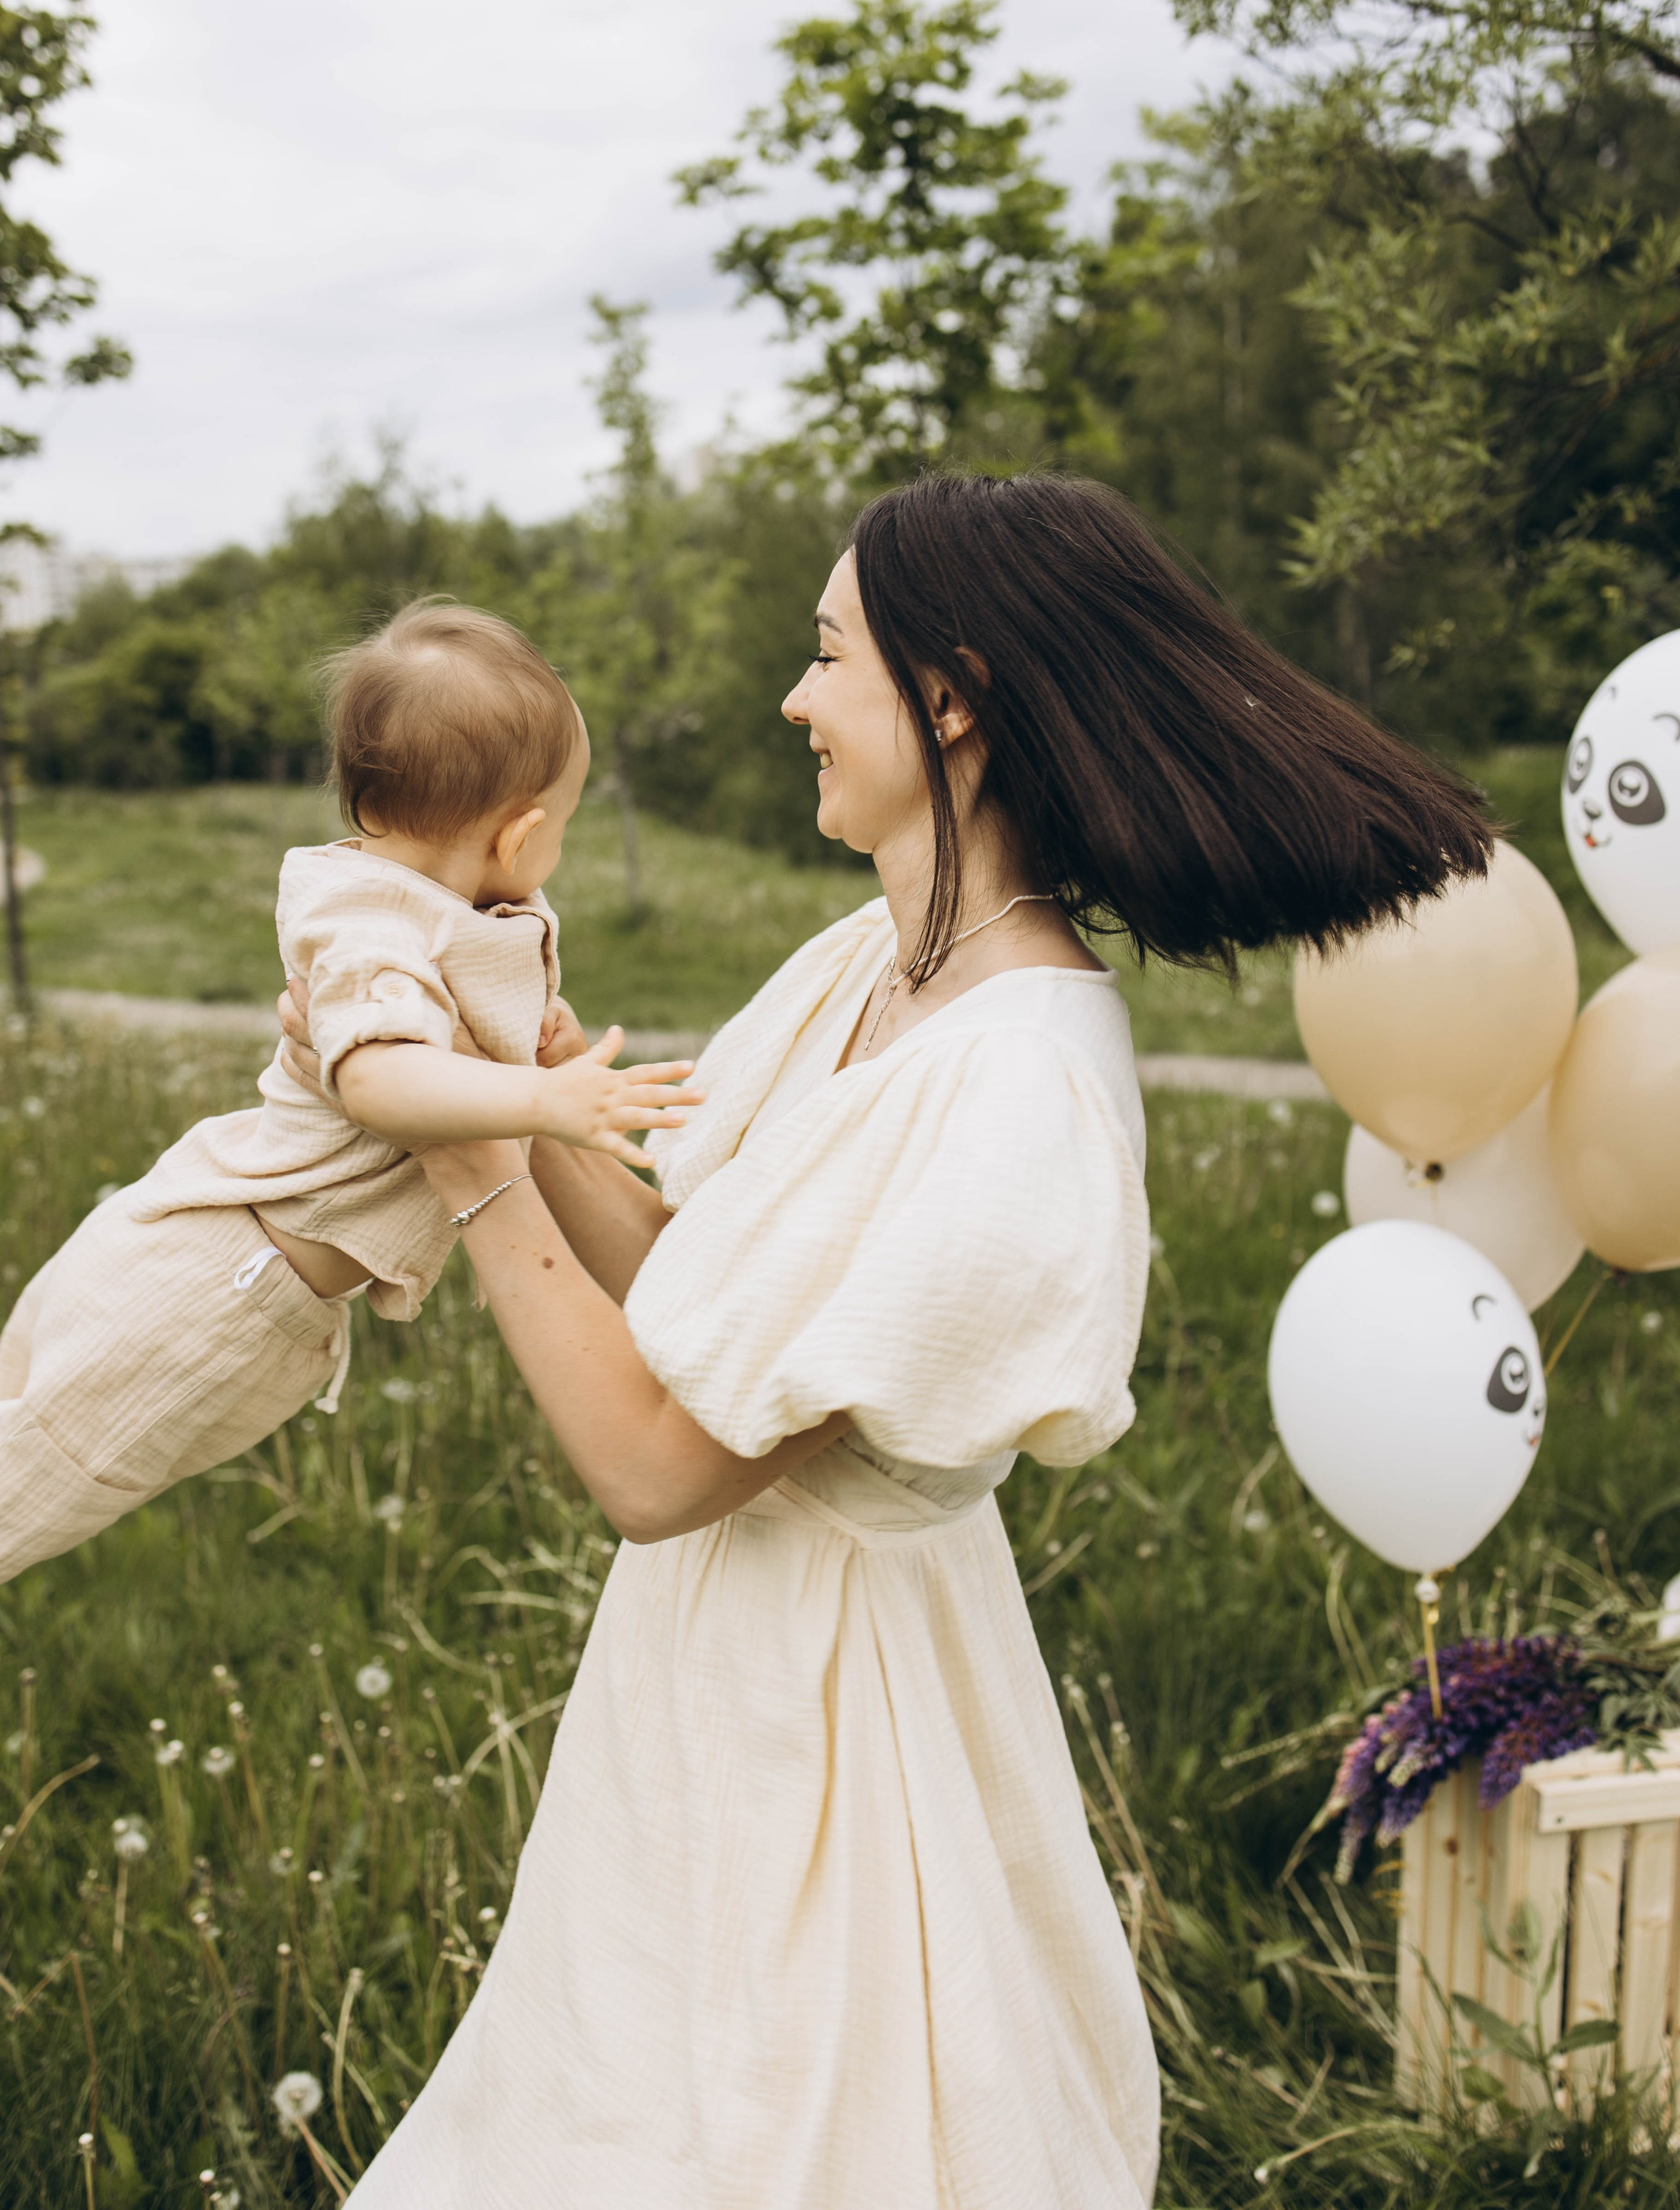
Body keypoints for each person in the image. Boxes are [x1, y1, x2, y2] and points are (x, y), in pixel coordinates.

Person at [291, 476, 1494, 2208]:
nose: (794, 698)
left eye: (826, 651)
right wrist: (524, 1093)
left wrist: (471, 1161)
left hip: (835, 1728)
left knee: (773, 2139)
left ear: (949, 700)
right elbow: (700, 1289)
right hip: (698, 1690)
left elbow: (653, 1464)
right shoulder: (874, 958)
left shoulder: (1022, 1090)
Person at [0, 601, 697, 1585]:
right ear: (521, 833)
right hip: (216, 1282)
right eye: (566, 827)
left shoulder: (437, 902)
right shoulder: (372, 924)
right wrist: (544, 1104)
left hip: (221, 1265)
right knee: (32, 1478)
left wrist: (545, 1055)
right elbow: (379, 1079)